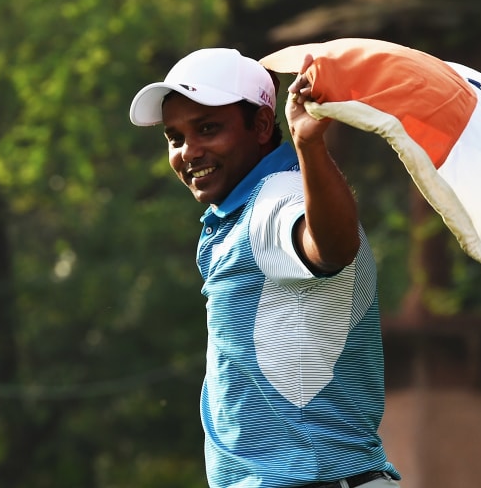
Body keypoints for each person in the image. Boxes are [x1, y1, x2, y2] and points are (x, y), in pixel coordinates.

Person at [129, 48, 401, 488]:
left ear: (259, 126)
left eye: (208, 129)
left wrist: (309, 144)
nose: (188, 152)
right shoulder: (247, 207)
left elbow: (330, 248)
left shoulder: (276, 199)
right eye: (174, 137)